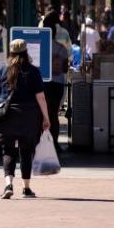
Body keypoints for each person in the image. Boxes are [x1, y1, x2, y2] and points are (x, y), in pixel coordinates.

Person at [0, 39, 51, 199]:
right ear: (26, 52)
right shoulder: (33, 71)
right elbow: (41, 97)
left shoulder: (2, 69)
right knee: (26, 150)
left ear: (10, 52)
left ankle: (8, 184)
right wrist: (46, 117)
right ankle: (27, 188)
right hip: (28, 116)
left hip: (7, 115)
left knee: (8, 150)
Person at [40, 12, 70, 148]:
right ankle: (54, 142)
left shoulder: (39, 46)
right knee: (53, 114)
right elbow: (64, 69)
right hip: (57, 84)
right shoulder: (61, 48)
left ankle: (42, 141)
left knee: (41, 113)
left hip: (42, 84)